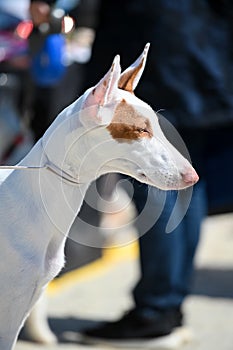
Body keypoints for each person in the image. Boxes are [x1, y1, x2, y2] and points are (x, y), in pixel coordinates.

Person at [80, 0, 233, 345]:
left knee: (155, 185)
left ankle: (156, 311)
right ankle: (168, 307)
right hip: (206, 60)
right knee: (188, 185)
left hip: (159, 58)